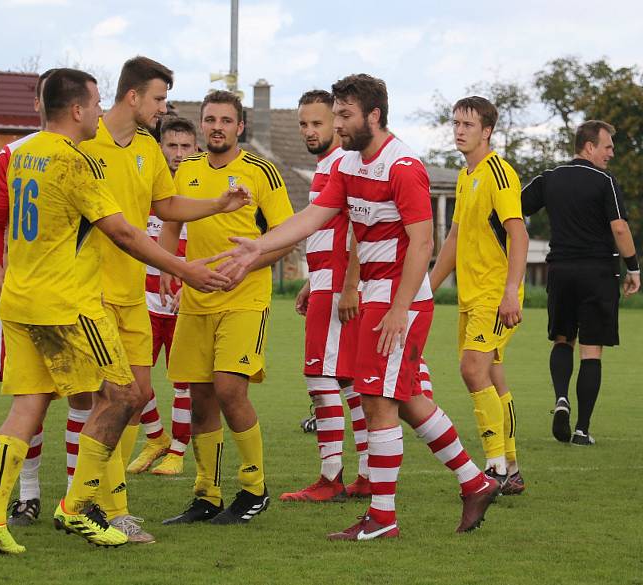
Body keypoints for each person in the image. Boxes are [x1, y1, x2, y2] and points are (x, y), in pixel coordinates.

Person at [223, 74, 500, 539]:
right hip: (378, 298)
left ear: (374, 115)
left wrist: (400, 308)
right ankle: (474, 482)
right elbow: (314, 216)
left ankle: (382, 518)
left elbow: (423, 242)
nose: (338, 124)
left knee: (376, 401)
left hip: (398, 301)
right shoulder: (350, 164)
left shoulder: (403, 166)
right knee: (406, 400)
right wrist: (258, 247)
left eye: (345, 115)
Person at [0, 68, 232, 554]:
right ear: (75, 110)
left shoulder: (21, 154)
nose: (97, 111)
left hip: (20, 303)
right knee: (124, 396)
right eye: (92, 104)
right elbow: (126, 234)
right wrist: (184, 269)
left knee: (27, 408)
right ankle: (77, 507)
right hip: (70, 304)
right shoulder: (75, 163)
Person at [78, 56, 250, 541]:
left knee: (129, 399)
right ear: (133, 97)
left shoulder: (148, 150)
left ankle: (97, 505)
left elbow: (166, 206)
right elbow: (124, 234)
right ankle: (98, 508)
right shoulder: (86, 147)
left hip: (132, 293)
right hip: (91, 293)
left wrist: (217, 203)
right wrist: (184, 269)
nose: (164, 108)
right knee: (111, 399)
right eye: (159, 99)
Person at [160, 90, 295, 525]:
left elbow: (286, 235)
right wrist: (170, 266)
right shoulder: (187, 170)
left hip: (245, 299)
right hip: (196, 299)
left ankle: (254, 489)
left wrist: (250, 261)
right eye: (210, 119)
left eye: (226, 120)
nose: (217, 126)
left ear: (240, 127)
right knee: (199, 400)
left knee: (230, 389)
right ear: (202, 125)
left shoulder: (262, 172)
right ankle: (207, 494)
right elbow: (171, 219)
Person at [0, 68, 89, 528]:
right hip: (34, 296)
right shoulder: (14, 153)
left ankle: (74, 497)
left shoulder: (82, 154)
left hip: (75, 296)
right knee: (35, 403)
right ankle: (28, 497)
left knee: (83, 396)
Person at [429, 96, 529, 494]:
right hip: (470, 296)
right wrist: (427, 289)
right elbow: (454, 237)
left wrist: (511, 293)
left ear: (487, 131)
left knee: (472, 371)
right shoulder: (464, 174)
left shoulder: (499, 175)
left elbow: (518, 233)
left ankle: (494, 470)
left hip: (494, 294)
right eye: (455, 123)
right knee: (491, 376)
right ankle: (511, 467)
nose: (459, 130)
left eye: (467, 125)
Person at [522, 120, 640, 445]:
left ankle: (562, 398)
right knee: (591, 351)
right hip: (598, 274)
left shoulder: (549, 178)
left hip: (560, 271)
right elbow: (619, 228)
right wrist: (634, 269)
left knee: (562, 340)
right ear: (590, 146)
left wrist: (502, 242)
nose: (611, 154)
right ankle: (582, 429)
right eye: (608, 147)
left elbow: (511, 210)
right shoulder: (605, 181)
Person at [280, 89, 370, 501]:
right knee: (348, 379)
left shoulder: (341, 165)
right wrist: (310, 280)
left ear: (336, 124)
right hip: (326, 281)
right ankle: (367, 473)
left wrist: (346, 284)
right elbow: (327, 231)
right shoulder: (326, 167)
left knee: (319, 376)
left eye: (317, 123)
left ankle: (331, 477)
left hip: (337, 286)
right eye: (304, 123)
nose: (309, 131)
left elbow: (357, 230)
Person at [141, 116, 200, 476]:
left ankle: (178, 450)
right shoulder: (145, 189)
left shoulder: (201, 196)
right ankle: (155, 437)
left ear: (197, 149)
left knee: (183, 381)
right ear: (160, 148)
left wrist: (190, 287)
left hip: (185, 304)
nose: (178, 154)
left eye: (185, 147)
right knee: (134, 381)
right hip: (143, 301)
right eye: (172, 146)